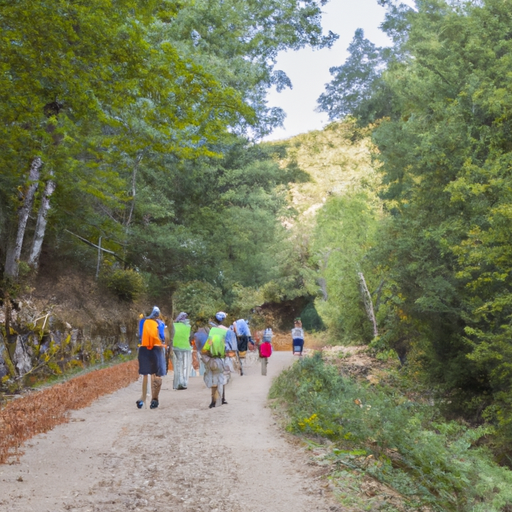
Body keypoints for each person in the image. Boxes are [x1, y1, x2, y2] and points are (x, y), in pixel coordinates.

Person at [136, 306, 167, 409]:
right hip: (156, 349)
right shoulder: (160, 323)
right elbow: (162, 337)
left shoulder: (142, 322)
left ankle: (143, 398)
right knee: (156, 374)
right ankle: (154, 399)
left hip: (144, 349)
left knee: (145, 374)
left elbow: (140, 335)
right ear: (157, 314)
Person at [201, 311, 229, 408]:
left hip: (211, 360)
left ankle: (213, 401)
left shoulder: (212, 332)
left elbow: (205, 349)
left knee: (213, 382)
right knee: (221, 379)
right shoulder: (226, 331)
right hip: (221, 359)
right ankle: (221, 399)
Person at [172, 312, 192, 390]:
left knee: (178, 365)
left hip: (176, 347)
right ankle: (184, 383)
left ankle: (178, 383)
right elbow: (190, 336)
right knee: (185, 366)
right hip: (186, 348)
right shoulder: (188, 326)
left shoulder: (174, 325)